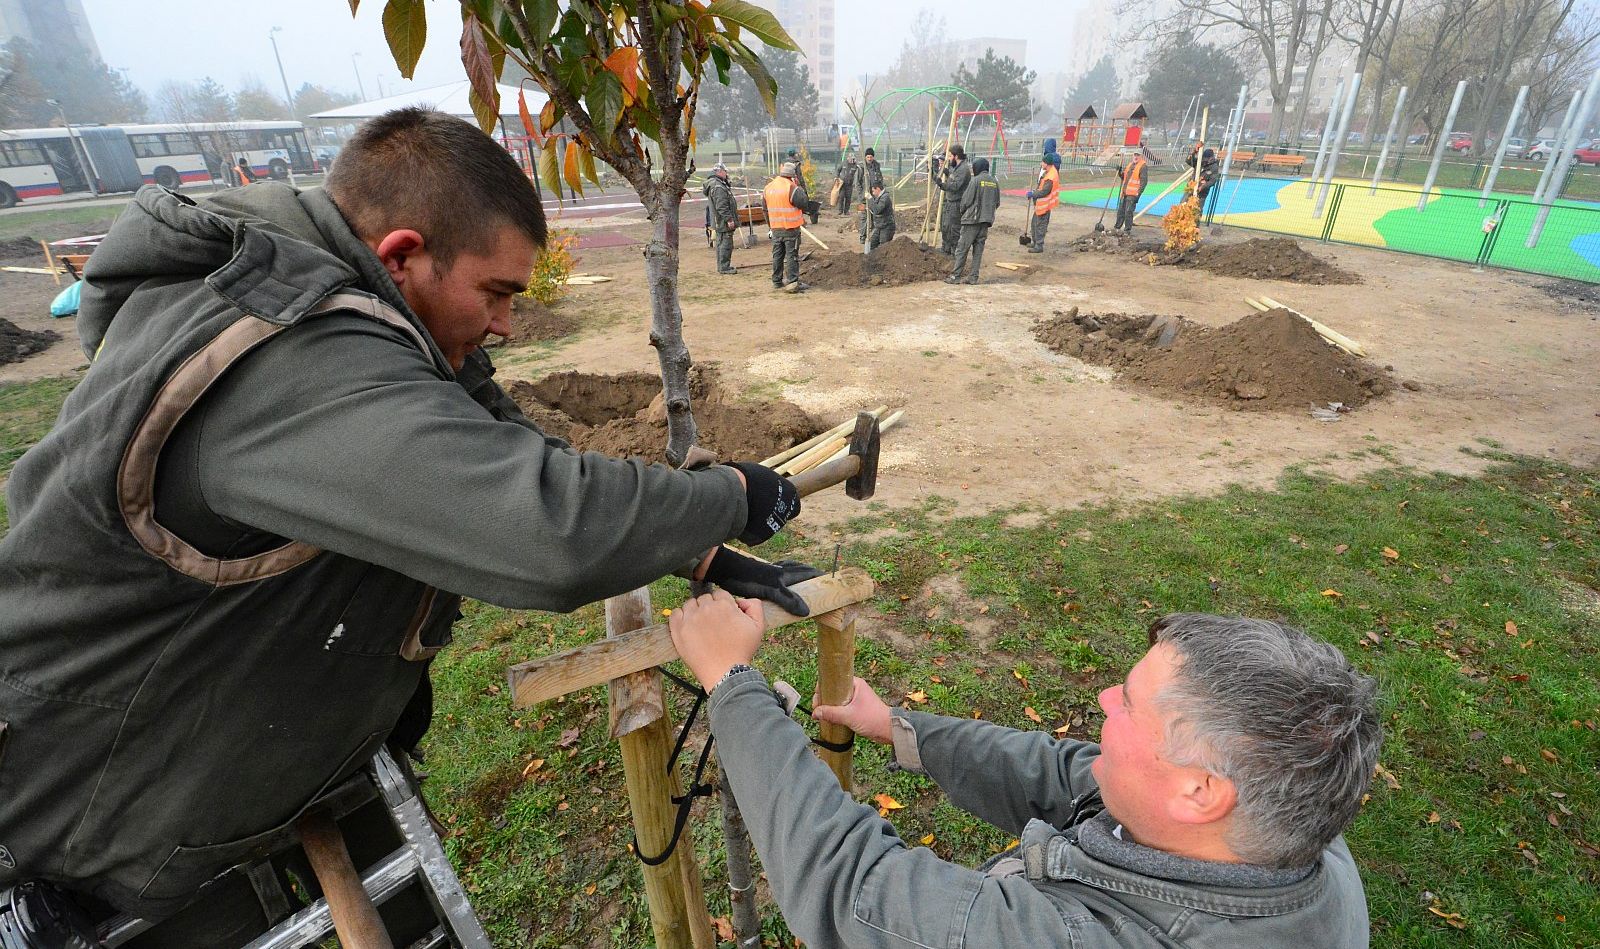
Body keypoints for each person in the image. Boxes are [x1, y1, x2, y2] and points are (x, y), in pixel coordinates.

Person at [0, 107, 818, 945]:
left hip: (241, 759)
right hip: (103, 816)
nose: (504, 323)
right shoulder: (292, 352)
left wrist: (696, 545)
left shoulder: (352, 303)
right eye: (495, 292)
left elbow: (503, 441)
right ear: (401, 255)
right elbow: (546, 530)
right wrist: (734, 495)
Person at [668, 600, 1383, 949]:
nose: (1106, 700)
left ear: (1200, 790)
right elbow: (1064, 770)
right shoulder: (1291, 823)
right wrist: (900, 729)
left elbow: (852, 885)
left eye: (1127, 704)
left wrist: (730, 680)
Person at [947, 156, 1000, 285]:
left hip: (971, 220)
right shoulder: (994, 182)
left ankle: (956, 276)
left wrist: (962, 211)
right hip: (986, 221)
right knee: (978, 251)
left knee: (962, 249)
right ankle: (973, 277)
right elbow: (997, 202)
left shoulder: (975, 181)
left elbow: (966, 200)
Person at [764, 161, 809, 293]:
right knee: (791, 255)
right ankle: (793, 282)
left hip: (776, 228)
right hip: (790, 228)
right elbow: (804, 203)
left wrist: (770, 226)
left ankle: (777, 281)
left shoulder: (768, 187)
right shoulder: (791, 187)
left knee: (777, 255)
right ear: (792, 175)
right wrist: (799, 186)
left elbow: (765, 209)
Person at [703, 163, 740, 275]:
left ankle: (722, 266)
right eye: (725, 171)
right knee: (725, 244)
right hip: (722, 221)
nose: (726, 173)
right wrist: (729, 219)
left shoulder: (716, 184)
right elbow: (721, 206)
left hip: (719, 220)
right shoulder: (718, 187)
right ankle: (724, 267)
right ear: (719, 172)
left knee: (721, 243)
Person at [935, 143, 971, 254]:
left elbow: (955, 186)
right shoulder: (956, 168)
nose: (949, 159)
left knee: (954, 229)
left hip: (957, 203)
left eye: (950, 156)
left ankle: (955, 252)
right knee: (946, 226)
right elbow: (952, 176)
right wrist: (947, 172)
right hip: (950, 201)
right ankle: (945, 248)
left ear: (956, 156)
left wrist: (942, 185)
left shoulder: (964, 169)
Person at [1024, 151, 1061, 253]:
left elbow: (1044, 191)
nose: (1041, 164)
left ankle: (1039, 245)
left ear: (1046, 163)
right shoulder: (1048, 173)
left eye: (1042, 162)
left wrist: (1033, 194)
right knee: (1034, 224)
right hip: (1041, 205)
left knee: (1040, 226)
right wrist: (1034, 192)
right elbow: (1041, 187)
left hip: (1045, 205)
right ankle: (1035, 242)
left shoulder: (1051, 176)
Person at [854, 147, 885, 242]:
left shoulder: (876, 166)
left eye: (871, 157)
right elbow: (857, 183)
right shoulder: (860, 167)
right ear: (865, 157)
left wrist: (880, 192)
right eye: (868, 157)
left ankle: (874, 237)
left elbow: (880, 180)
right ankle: (862, 237)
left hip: (874, 197)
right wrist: (861, 195)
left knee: (875, 216)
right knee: (863, 217)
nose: (869, 159)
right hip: (862, 198)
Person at [1115, 149, 1149, 234]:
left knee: (1128, 212)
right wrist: (1119, 171)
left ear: (1141, 156)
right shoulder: (1130, 165)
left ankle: (1127, 230)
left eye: (1138, 155)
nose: (1136, 157)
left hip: (1133, 194)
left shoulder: (1143, 166)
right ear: (1132, 155)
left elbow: (1143, 182)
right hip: (1125, 192)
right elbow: (1124, 177)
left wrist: (1138, 194)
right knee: (1120, 211)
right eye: (1135, 155)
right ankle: (1117, 228)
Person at [866, 182, 896, 251]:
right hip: (880, 226)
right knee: (873, 243)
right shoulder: (880, 196)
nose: (873, 193)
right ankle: (873, 259)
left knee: (883, 247)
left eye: (873, 191)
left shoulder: (885, 197)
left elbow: (877, 210)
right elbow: (874, 208)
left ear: (878, 189)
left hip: (887, 227)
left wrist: (870, 199)